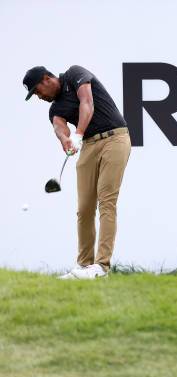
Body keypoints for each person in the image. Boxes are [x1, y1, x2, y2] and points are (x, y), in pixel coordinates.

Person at [23, 65, 131, 279]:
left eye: (37, 91)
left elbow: (87, 102)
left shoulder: (74, 75)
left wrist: (78, 133)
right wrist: (66, 140)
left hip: (115, 138)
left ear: (46, 79)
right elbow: (59, 126)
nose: (38, 96)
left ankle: (101, 267)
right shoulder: (55, 108)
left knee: (106, 201)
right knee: (84, 208)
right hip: (89, 146)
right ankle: (83, 266)